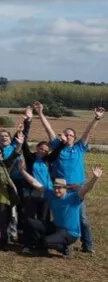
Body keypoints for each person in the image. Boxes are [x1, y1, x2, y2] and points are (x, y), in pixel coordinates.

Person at [35, 103, 103, 253]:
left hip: (78, 188)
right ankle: (65, 245)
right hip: (61, 189)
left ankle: (88, 244)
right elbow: (49, 130)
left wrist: (96, 119)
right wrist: (40, 113)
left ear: (74, 138)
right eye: (65, 134)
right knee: (62, 219)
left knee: (82, 218)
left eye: (70, 135)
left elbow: (88, 133)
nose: (67, 137)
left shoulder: (79, 148)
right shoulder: (57, 147)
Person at [19, 163, 102, 257]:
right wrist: (22, 171)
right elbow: (35, 183)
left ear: (65, 189)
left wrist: (95, 178)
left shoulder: (74, 197)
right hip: (56, 227)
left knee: (44, 241)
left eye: (60, 188)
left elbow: (86, 188)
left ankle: (65, 248)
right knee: (30, 222)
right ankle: (36, 244)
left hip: (70, 233)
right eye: (55, 188)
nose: (57, 190)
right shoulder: (51, 194)